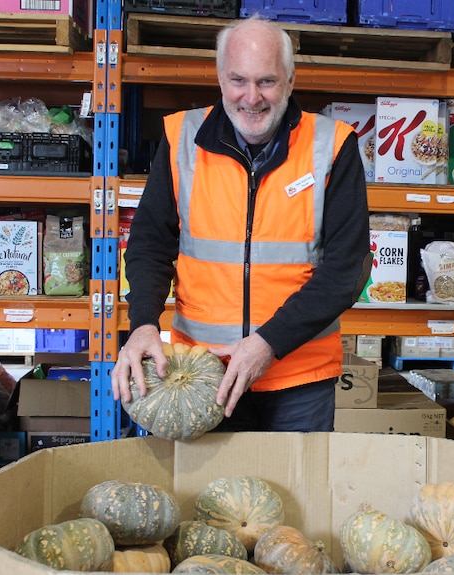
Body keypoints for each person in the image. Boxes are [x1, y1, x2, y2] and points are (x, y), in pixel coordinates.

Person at [110, 15, 371, 432]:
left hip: (299, 378)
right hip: (201, 374)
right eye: (238, 80)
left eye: (267, 81)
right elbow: (149, 244)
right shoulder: (182, 138)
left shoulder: (333, 145)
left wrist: (269, 343)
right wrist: (142, 324)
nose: (252, 97)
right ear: (219, 78)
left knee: (297, 496)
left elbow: (347, 268)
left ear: (289, 80)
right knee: (208, 496)